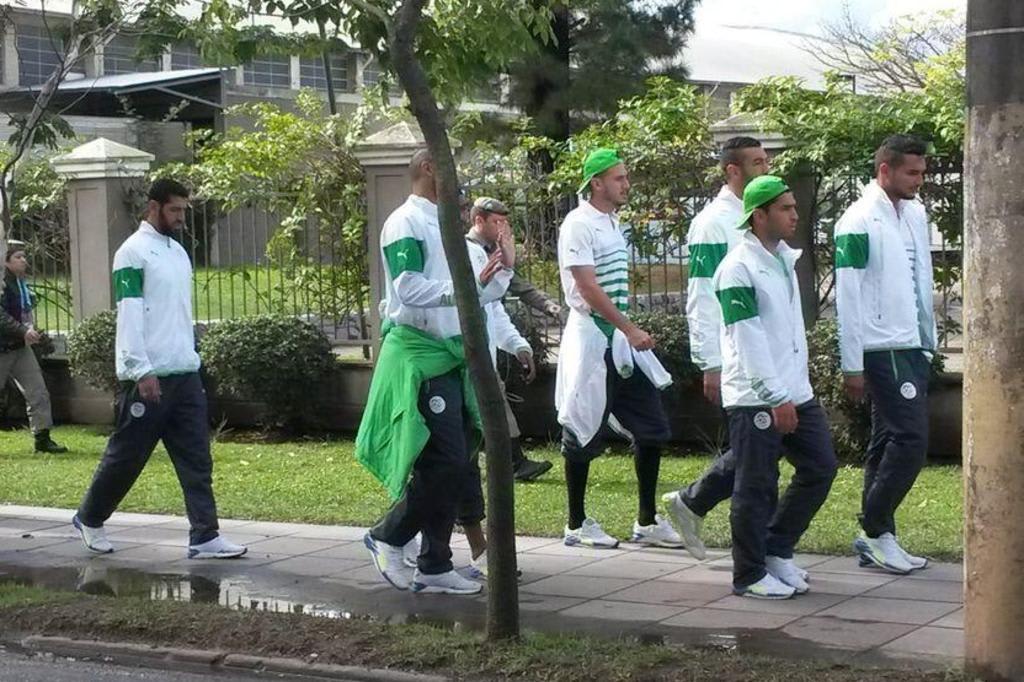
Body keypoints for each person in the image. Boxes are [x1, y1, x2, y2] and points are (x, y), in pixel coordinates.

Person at [358, 149, 513, 595]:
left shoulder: (450, 229)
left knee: (457, 460)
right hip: (421, 356)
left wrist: (503, 266)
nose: (461, 177)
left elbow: (482, 294)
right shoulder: (405, 222)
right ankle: (388, 536)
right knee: (444, 459)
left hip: (449, 359)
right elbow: (408, 288)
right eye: (451, 166)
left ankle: (435, 563)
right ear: (429, 168)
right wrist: (465, 288)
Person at [72, 179, 247, 560]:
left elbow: (177, 314)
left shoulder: (177, 253)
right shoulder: (131, 253)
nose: (182, 217)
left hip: (184, 374)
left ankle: (204, 535)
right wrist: (140, 369)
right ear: (153, 207)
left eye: (184, 210)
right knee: (127, 456)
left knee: (197, 459)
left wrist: (192, 357)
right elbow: (130, 315)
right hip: (148, 377)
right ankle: (89, 517)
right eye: (175, 210)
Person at [716, 175, 838, 599]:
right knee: (755, 485)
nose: (794, 215)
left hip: (796, 391)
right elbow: (748, 339)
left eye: (793, 206)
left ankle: (776, 548)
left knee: (821, 466)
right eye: (785, 208)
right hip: (757, 397)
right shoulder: (737, 268)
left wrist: (793, 391)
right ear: (759, 215)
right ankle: (748, 574)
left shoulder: (784, 259)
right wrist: (775, 396)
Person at [555, 148, 682, 549]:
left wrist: (626, 333)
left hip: (621, 343)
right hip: (594, 339)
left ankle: (646, 521)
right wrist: (629, 328)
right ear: (596, 183)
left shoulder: (611, 222)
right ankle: (576, 523)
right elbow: (588, 288)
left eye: (625, 177)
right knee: (581, 428)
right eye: (619, 178)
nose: (626, 184)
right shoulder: (578, 224)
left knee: (653, 428)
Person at [663, 136, 770, 560]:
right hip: (735, 356)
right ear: (733, 171)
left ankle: (692, 501)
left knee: (763, 445)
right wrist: (709, 362)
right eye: (758, 163)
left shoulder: (759, 218)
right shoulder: (714, 223)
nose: (767, 169)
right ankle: (700, 506)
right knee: (757, 449)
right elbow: (703, 297)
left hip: (767, 355)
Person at [835, 134, 936, 575]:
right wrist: (852, 362)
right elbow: (849, 298)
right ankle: (873, 526)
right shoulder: (856, 221)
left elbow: (919, 279)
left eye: (922, 172)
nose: (919, 180)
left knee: (884, 441)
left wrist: (927, 341)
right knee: (911, 440)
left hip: (912, 342)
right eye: (911, 172)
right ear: (885, 171)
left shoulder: (914, 213)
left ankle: (881, 537)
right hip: (881, 346)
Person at [466, 196, 552, 482]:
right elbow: (483, 298)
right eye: (497, 222)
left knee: (491, 408)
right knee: (488, 409)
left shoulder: (490, 252)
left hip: (482, 353)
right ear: (479, 220)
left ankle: (510, 463)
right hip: (465, 354)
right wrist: (508, 265)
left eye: (506, 222)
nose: (504, 229)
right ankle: (511, 464)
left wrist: (518, 345)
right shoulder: (470, 253)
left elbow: (494, 308)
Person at [0, 241, 66, 453]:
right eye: (18, 257)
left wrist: (33, 332)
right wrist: (22, 330)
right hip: (3, 348)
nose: (24, 261)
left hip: (20, 347)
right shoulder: (2, 283)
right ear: (6, 261)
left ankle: (42, 438)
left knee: (37, 391)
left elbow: (23, 314)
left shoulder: (20, 283)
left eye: (24, 256)